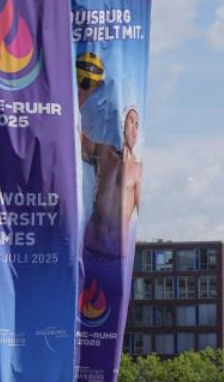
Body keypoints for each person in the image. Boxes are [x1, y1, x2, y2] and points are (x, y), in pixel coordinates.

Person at [79, 73, 143, 260]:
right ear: (122, 123)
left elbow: (141, 215)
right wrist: (84, 95)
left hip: (115, 248)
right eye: (131, 121)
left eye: (137, 124)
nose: (134, 129)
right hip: (90, 241)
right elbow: (74, 134)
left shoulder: (138, 171)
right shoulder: (104, 152)